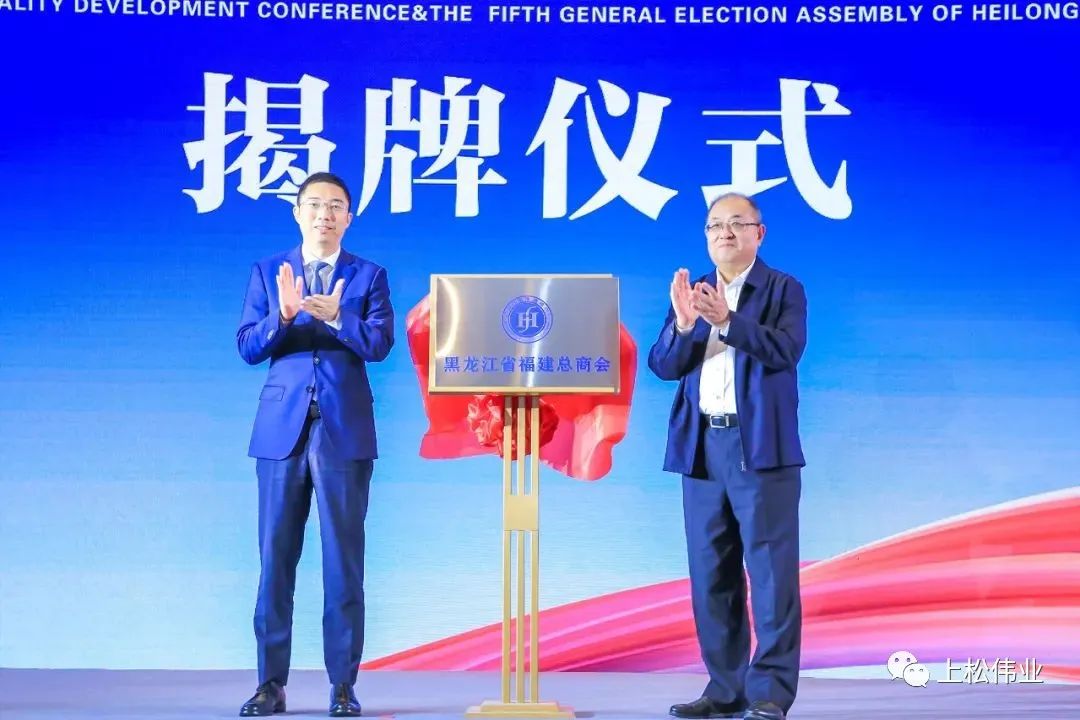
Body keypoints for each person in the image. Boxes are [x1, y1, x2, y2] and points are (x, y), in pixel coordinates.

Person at [235, 172, 394, 717]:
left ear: (348, 217)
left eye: (336, 206)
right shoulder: (268, 272)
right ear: (297, 213)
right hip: (281, 431)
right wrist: (283, 316)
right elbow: (247, 346)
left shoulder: (369, 275)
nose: (325, 214)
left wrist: (339, 317)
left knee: (343, 562)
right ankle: (269, 684)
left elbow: (379, 344)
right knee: (275, 559)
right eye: (315, 205)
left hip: (343, 431)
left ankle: (343, 685)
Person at [648, 192, 807, 720]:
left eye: (737, 223)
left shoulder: (783, 288)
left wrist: (728, 321)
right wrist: (684, 324)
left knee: (770, 573)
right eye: (716, 225)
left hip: (760, 448)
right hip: (702, 449)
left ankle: (769, 693)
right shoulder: (695, 292)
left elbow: (785, 350)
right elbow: (663, 366)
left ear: (759, 233)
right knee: (710, 573)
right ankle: (724, 688)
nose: (725, 233)